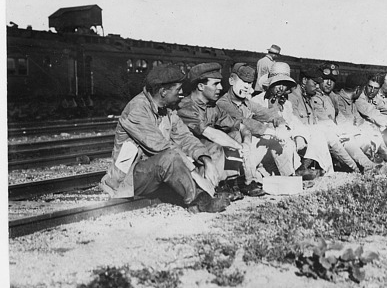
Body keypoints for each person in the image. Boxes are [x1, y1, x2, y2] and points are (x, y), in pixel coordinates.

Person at [100, 64, 232, 213]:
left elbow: (185, 137)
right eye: (177, 89)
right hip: (128, 178)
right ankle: (199, 200)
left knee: (205, 149)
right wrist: (194, 173)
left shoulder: (167, 110)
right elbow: (161, 147)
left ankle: (214, 187)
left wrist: (207, 161)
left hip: (153, 172)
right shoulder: (137, 109)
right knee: (170, 157)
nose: (181, 93)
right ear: (163, 91)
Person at [177, 62, 266, 197]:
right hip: (191, 154)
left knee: (236, 134)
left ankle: (239, 182)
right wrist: (239, 146)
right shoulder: (186, 107)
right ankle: (217, 187)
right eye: (215, 84)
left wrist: (246, 142)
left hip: (209, 154)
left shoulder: (212, 107)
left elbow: (241, 126)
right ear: (201, 86)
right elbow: (211, 134)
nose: (221, 87)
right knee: (216, 144)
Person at [215, 63, 299, 179]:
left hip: (249, 147)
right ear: (231, 81)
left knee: (275, 140)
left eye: (249, 83)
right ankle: (250, 179)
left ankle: (290, 177)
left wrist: (280, 125)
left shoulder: (247, 103)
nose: (246, 87)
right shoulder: (222, 103)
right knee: (270, 137)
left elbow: (267, 113)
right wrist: (272, 132)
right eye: (243, 82)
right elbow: (243, 121)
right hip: (232, 150)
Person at [253, 62, 329, 179]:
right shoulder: (257, 101)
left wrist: (299, 136)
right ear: (270, 84)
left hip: (285, 146)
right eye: (278, 84)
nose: (281, 89)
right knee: (281, 143)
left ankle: (302, 169)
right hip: (265, 146)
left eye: (285, 85)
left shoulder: (286, 104)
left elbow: (294, 122)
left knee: (315, 134)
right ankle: (293, 176)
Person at [287, 67, 361, 173]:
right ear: (304, 81)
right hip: (299, 137)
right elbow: (295, 123)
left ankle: (354, 168)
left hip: (311, 135)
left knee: (332, 136)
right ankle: (350, 169)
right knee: (325, 136)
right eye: (315, 83)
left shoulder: (307, 96)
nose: (317, 87)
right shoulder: (293, 97)